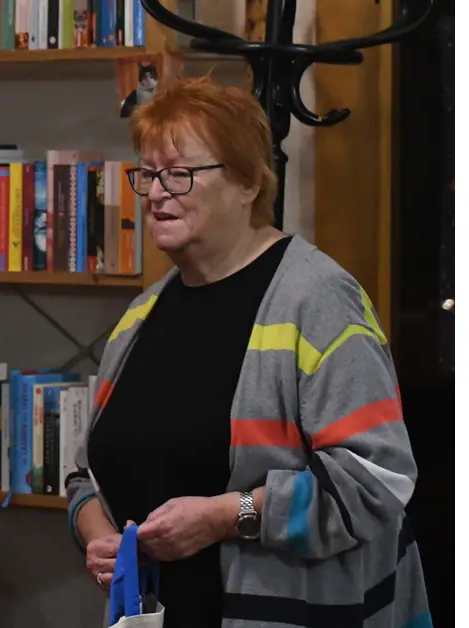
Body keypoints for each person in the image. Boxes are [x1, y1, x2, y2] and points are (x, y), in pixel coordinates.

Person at [65, 76, 430, 628]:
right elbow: (84, 475)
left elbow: (374, 480)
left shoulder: (319, 302)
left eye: (180, 173)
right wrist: (98, 538)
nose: (158, 192)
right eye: (148, 174)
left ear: (247, 182)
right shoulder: (141, 315)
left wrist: (224, 516)